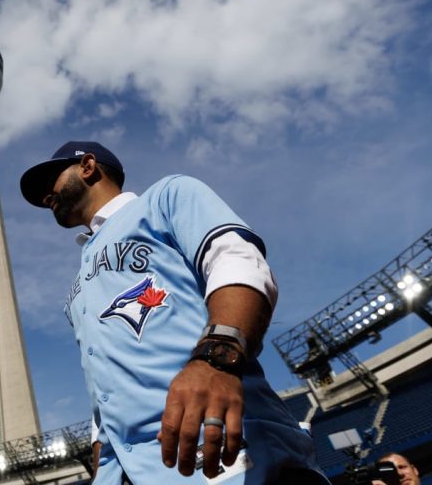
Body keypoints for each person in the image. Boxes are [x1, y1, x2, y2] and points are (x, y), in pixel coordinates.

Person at [20, 141, 327, 484]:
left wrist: (216, 359)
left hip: (221, 445)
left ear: (88, 167)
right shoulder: (77, 284)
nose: (45, 196)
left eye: (51, 179)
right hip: (130, 470)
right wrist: (103, 458)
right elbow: (102, 377)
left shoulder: (164, 198)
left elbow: (238, 260)